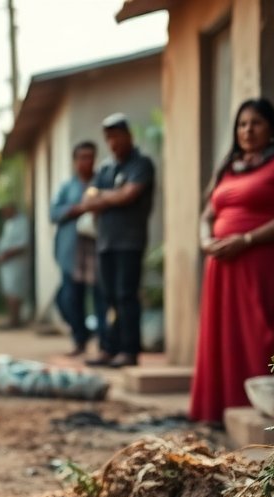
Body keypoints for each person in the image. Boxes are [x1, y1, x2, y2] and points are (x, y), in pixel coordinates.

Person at [188, 99, 274, 424]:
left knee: (260, 334)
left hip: (262, 261)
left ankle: (262, 411)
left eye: (256, 123)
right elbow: (208, 213)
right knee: (223, 337)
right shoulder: (229, 167)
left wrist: (247, 239)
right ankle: (219, 409)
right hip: (223, 265)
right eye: (242, 124)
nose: (247, 130)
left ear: (271, 128)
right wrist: (204, 239)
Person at [78, 113, 156, 368]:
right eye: (108, 138)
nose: (112, 143)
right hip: (106, 243)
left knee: (126, 296)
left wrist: (104, 197)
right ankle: (109, 348)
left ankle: (129, 350)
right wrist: (110, 196)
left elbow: (129, 195)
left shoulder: (141, 164)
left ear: (128, 135)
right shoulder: (106, 168)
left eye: (116, 136)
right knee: (108, 297)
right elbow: (88, 200)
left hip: (129, 242)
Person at [49, 140, 99, 356]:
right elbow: (53, 213)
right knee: (68, 299)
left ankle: (103, 343)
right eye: (81, 158)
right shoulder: (68, 187)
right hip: (71, 252)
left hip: (95, 251)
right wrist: (77, 209)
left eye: (89, 157)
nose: (85, 162)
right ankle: (80, 337)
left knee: (99, 299)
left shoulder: (101, 183)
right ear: (74, 161)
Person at [0, 202, 30, 329]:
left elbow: (23, 244)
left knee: (15, 291)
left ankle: (15, 320)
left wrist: (6, 255)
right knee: (9, 291)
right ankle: (11, 319)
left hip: (16, 262)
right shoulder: (9, 223)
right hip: (7, 264)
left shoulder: (22, 222)